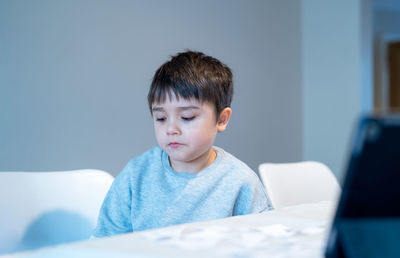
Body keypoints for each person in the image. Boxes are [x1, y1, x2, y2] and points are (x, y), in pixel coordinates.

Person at [92, 50, 273, 238]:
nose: (171, 129)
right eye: (161, 118)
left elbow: (265, 242)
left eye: (187, 117)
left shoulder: (239, 181)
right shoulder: (136, 175)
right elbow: (104, 242)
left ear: (221, 119)